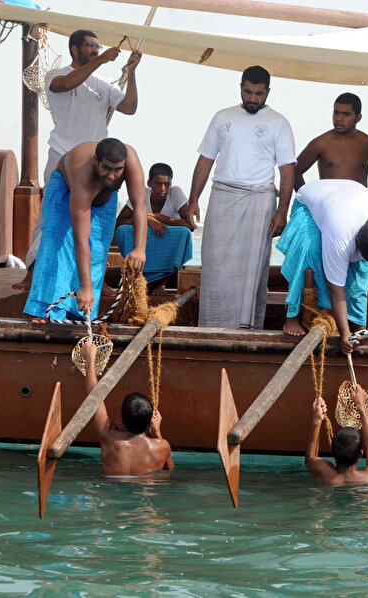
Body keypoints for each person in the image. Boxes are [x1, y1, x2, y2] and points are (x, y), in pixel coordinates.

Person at [17, 29, 141, 291]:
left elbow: (129, 108)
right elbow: (65, 85)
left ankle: (94, 281)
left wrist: (132, 73)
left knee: (97, 223)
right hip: (62, 157)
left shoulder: (105, 82)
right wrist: (102, 59)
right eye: (90, 46)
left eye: (98, 46)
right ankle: (32, 273)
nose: (95, 50)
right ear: (74, 48)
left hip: (95, 162)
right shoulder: (57, 75)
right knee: (50, 216)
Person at [186, 65, 296, 329]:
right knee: (215, 267)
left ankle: (246, 330)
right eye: (248, 92)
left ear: (268, 92)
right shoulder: (222, 116)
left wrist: (282, 211)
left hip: (259, 200)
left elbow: (287, 169)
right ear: (241, 88)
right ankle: (211, 328)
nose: (253, 99)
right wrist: (193, 200)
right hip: (222, 195)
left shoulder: (278, 122)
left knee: (251, 273)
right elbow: (205, 160)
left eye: (259, 94)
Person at [278, 179, 368, 352]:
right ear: (355, 240)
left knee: (361, 267)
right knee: (310, 251)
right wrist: (344, 333)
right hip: (311, 201)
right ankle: (292, 317)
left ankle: (356, 321)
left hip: (349, 195)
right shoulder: (340, 231)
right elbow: (335, 288)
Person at [24, 138, 146, 321]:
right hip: (65, 191)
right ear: (96, 160)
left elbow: (140, 207)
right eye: (106, 168)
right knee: (58, 244)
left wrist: (139, 249)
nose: (112, 176)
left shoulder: (131, 161)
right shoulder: (83, 175)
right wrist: (85, 287)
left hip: (104, 199)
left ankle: (82, 311)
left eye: (117, 170)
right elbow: (81, 238)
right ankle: (45, 310)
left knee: (97, 249)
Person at [82, 340, 174, 475]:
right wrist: (156, 432)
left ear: (121, 421)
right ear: (150, 422)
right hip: (146, 493)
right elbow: (170, 468)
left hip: (110, 492)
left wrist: (90, 359)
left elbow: (94, 397)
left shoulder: (108, 436)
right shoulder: (162, 447)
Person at [115, 162, 193, 293]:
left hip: (166, 242)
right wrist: (145, 219)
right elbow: (120, 223)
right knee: (123, 231)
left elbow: (190, 225)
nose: (163, 188)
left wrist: (156, 216)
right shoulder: (142, 194)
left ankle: (162, 283)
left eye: (167, 184)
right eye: (158, 184)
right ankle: (137, 278)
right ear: (149, 183)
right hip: (145, 243)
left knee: (184, 233)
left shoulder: (176, 193)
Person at [304, 386, 368, 486]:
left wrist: (317, 420)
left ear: (332, 452)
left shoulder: (325, 474)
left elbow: (310, 457)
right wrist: (361, 405)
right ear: (361, 454)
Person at [294, 93, 368, 190]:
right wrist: (308, 199)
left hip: (358, 203)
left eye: (346, 114)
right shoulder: (320, 143)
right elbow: (294, 171)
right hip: (327, 203)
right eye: (336, 113)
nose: (339, 118)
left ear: (358, 117)